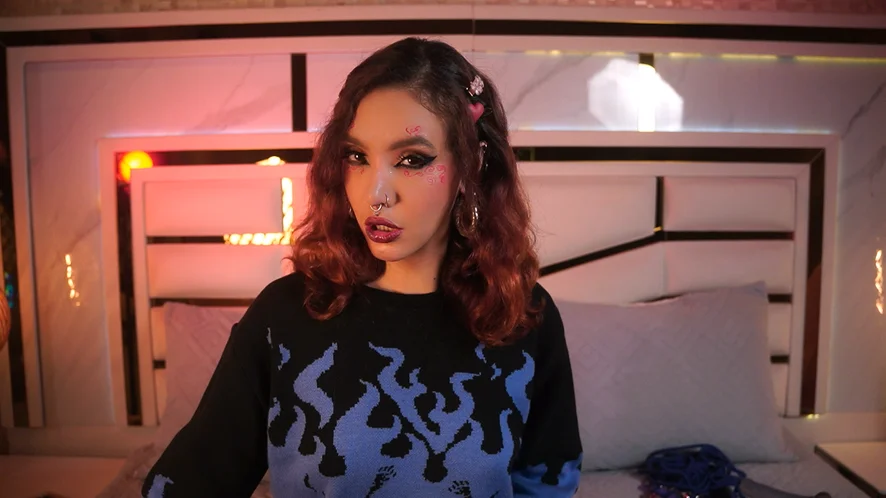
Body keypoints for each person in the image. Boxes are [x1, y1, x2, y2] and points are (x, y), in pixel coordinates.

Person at [143, 36, 583, 497]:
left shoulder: (521, 314)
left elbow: (549, 481)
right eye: (357, 157)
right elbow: (186, 484)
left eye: (410, 160)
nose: (376, 194)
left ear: (470, 164)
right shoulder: (288, 315)